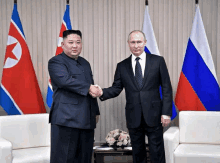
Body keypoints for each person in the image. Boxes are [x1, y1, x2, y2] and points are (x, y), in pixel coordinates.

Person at [90, 30, 172, 163]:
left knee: (157, 152)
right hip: (134, 116)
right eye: (133, 42)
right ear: (128, 44)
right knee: (138, 154)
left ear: (145, 42)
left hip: (155, 115)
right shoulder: (122, 66)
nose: (136, 45)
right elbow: (116, 88)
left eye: (139, 42)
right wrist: (101, 92)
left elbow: (167, 88)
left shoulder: (158, 61)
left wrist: (166, 113)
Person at [48, 30, 100, 163]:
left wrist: (96, 111)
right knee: (64, 159)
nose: (74, 46)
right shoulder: (55, 62)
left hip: (87, 119)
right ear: (62, 44)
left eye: (78, 42)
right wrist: (89, 87)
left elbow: (91, 87)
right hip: (66, 119)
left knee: (85, 158)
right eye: (70, 42)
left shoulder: (85, 63)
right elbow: (64, 81)